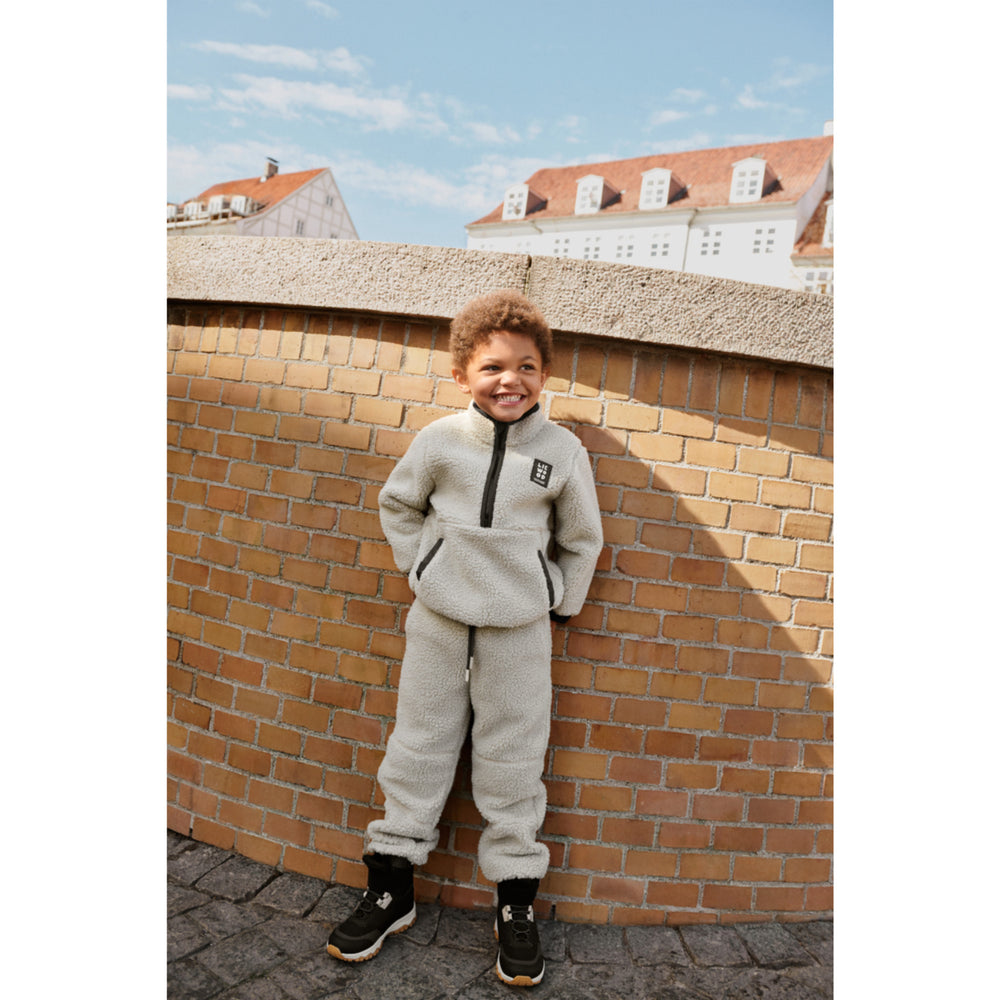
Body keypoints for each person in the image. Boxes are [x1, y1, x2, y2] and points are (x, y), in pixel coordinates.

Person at [325, 289, 604, 987]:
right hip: (440, 620)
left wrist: (559, 603)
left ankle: (515, 902)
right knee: (418, 744)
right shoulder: (440, 441)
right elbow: (398, 503)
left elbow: (583, 538)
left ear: (545, 375)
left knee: (514, 756)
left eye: (527, 367)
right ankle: (391, 888)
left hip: (519, 631)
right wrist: (422, 567)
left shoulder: (562, 451)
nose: (511, 380)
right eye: (493, 367)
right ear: (462, 376)